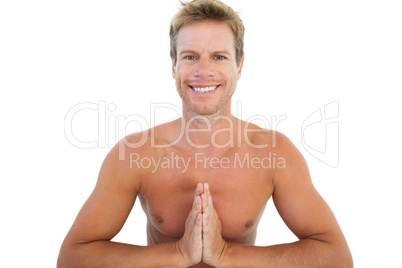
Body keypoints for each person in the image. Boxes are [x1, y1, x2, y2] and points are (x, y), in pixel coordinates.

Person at [57, 0, 353, 267]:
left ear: (240, 65)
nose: (203, 70)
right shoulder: (135, 153)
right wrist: (179, 254)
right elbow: (72, 257)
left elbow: (337, 257)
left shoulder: (274, 153)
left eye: (219, 57)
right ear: (173, 66)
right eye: (189, 57)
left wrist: (225, 254)